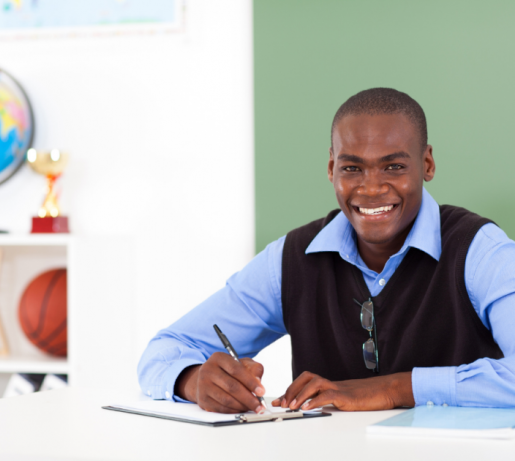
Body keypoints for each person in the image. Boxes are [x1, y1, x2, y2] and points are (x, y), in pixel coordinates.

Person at [138, 88, 515, 414]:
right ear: (332, 167)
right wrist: (193, 381)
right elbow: (165, 350)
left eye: (394, 166)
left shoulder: (480, 250)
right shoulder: (291, 260)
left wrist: (392, 389)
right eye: (352, 168)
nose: (371, 188)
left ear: (427, 163)